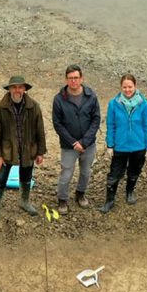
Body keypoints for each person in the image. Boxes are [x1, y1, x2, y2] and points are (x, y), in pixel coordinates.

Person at [0, 76, 47, 225]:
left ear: (25, 89)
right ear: (9, 89)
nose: (17, 90)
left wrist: (40, 152)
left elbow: (40, 130)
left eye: (20, 87)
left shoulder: (34, 107)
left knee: (26, 177)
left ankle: (24, 202)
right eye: (14, 87)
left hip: (28, 150)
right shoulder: (0, 108)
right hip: (7, 152)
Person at [99, 74, 147, 214]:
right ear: (121, 87)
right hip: (120, 146)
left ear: (135, 86)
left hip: (139, 146)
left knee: (134, 172)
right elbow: (110, 125)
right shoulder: (114, 103)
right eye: (125, 87)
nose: (127, 90)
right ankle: (109, 200)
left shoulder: (143, 103)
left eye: (130, 87)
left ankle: (130, 192)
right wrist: (110, 145)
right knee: (114, 174)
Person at [51, 65, 101, 213]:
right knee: (66, 173)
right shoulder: (59, 99)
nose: (73, 81)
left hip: (88, 145)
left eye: (76, 78)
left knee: (86, 172)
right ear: (66, 80)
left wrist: (84, 141)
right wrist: (73, 142)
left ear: (81, 79)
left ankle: (80, 194)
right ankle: (62, 199)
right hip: (69, 145)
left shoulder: (91, 96)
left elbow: (96, 120)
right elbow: (57, 124)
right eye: (70, 78)